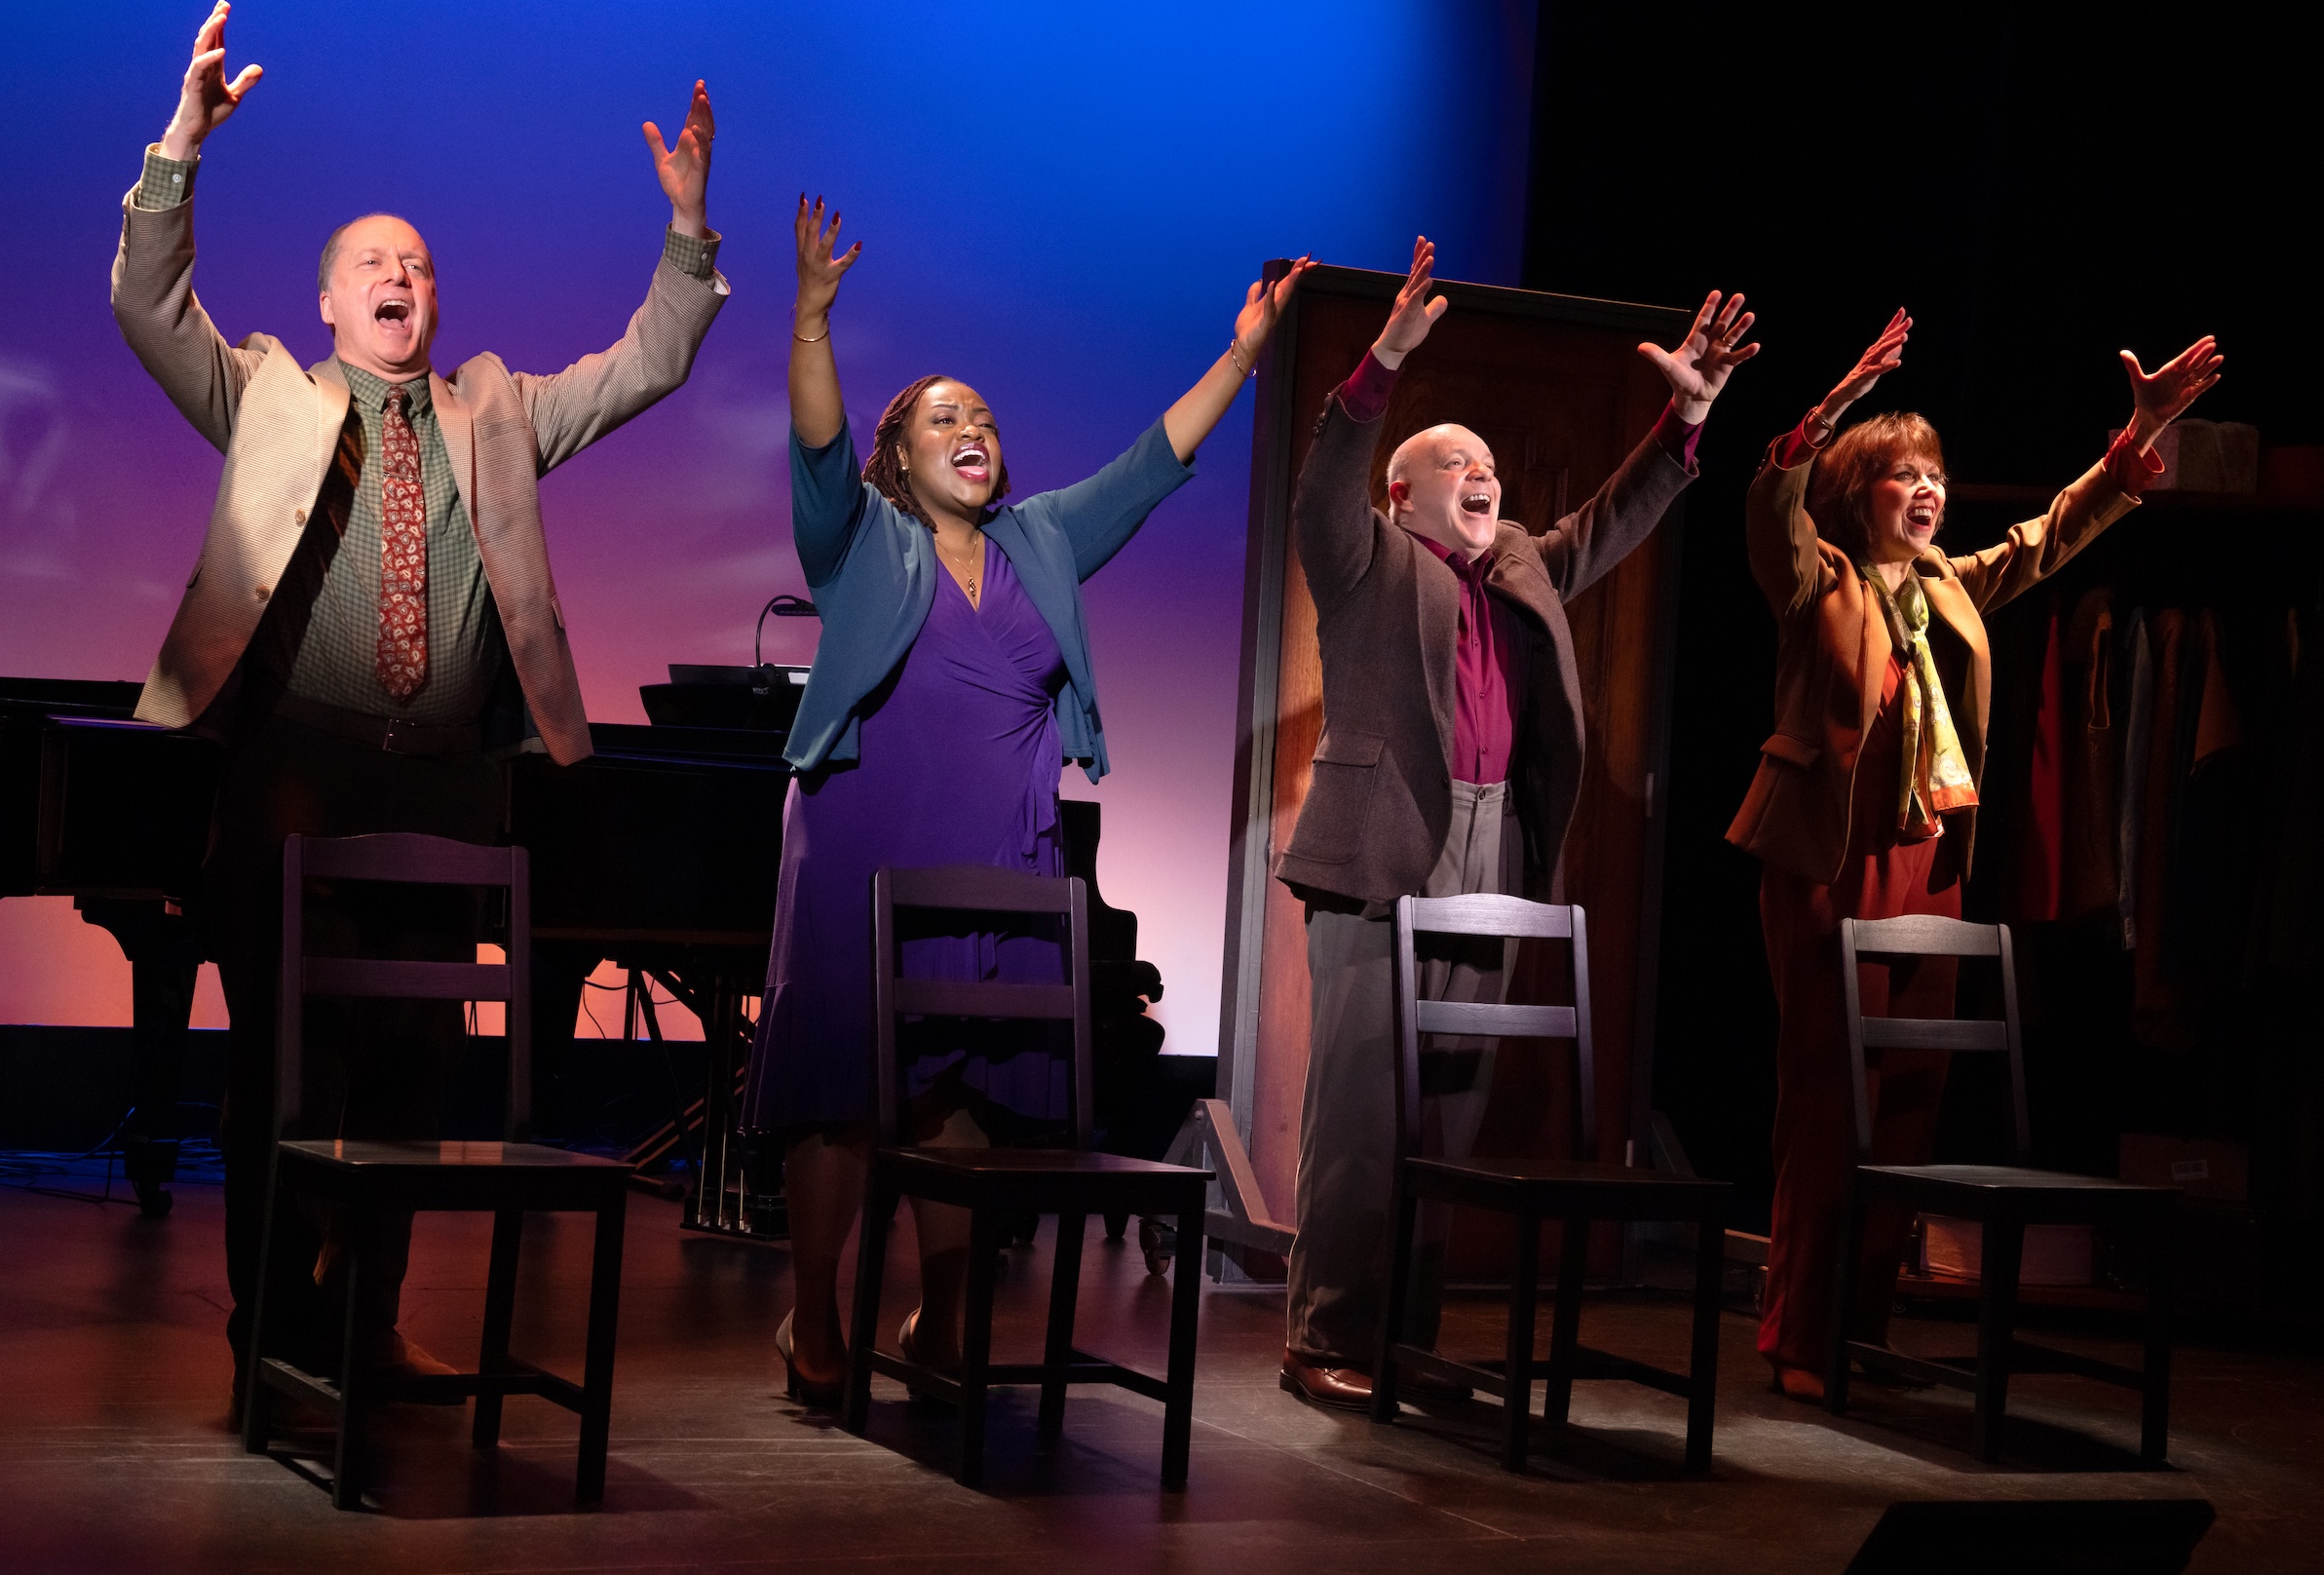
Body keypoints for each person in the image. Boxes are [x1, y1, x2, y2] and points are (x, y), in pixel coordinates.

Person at [109, 0, 730, 1413]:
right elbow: (149, 308)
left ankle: (365, 1320)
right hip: (292, 777)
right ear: (330, 301)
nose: (403, 277)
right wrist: (179, 151)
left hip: (446, 789)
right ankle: (273, 1323)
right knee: (286, 1070)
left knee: (408, 1074)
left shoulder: (493, 411)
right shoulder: (268, 390)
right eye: (375, 264)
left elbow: (647, 363)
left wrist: (688, 237)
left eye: (421, 265)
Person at [752, 195, 1309, 1403]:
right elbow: (813, 443)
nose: (974, 429)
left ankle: (943, 1319)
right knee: (843, 1094)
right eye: (945, 416)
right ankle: (812, 1318)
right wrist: (810, 315)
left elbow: (1153, 462)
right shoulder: (858, 542)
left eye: (987, 418)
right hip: (860, 844)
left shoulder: (1044, 537)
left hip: (1002, 850)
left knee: (968, 1085)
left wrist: (1244, 352)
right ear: (897, 455)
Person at [1273, 238, 1758, 1409]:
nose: (1481, 471)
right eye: (1454, 460)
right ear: (1404, 491)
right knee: (1360, 1108)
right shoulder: (1367, 557)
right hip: (1384, 849)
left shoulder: (1524, 564)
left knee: (1450, 1109)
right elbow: (1323, 484)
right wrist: (1381, 368)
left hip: (1492, 846)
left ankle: (1409, 1341)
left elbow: (1610, 520)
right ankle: (1321, 1336)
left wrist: (1680, 425)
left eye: (1489, 461)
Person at [1729, 310, 2223, 1401]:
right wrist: (1822, 419)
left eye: (1934, 474)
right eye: (1900, 474)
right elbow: (1770, 514)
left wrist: (2129, 443)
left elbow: (2045, 538)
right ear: (1854, 491)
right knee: (1826, 1091)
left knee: (1910, 1087)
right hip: (1827, 853)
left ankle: (1859, 1325)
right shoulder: (1818, 582)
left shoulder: (1949, 584)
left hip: (1929, 853)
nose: (1926, 490)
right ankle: (1798, 1334)